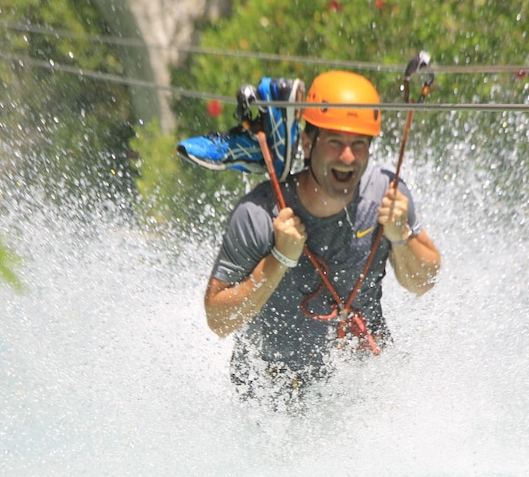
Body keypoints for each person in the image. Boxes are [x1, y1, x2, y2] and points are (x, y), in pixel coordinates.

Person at [178, 71, 441, 405]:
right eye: (334, 141)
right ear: (307, 142)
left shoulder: (387, 196)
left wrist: (401, 237)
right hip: (268, 403)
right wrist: (278, 261)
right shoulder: (259, 214)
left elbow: (425, 282)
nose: (348, 157)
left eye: (359, 144)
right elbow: (218, 320)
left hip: (361, 400)